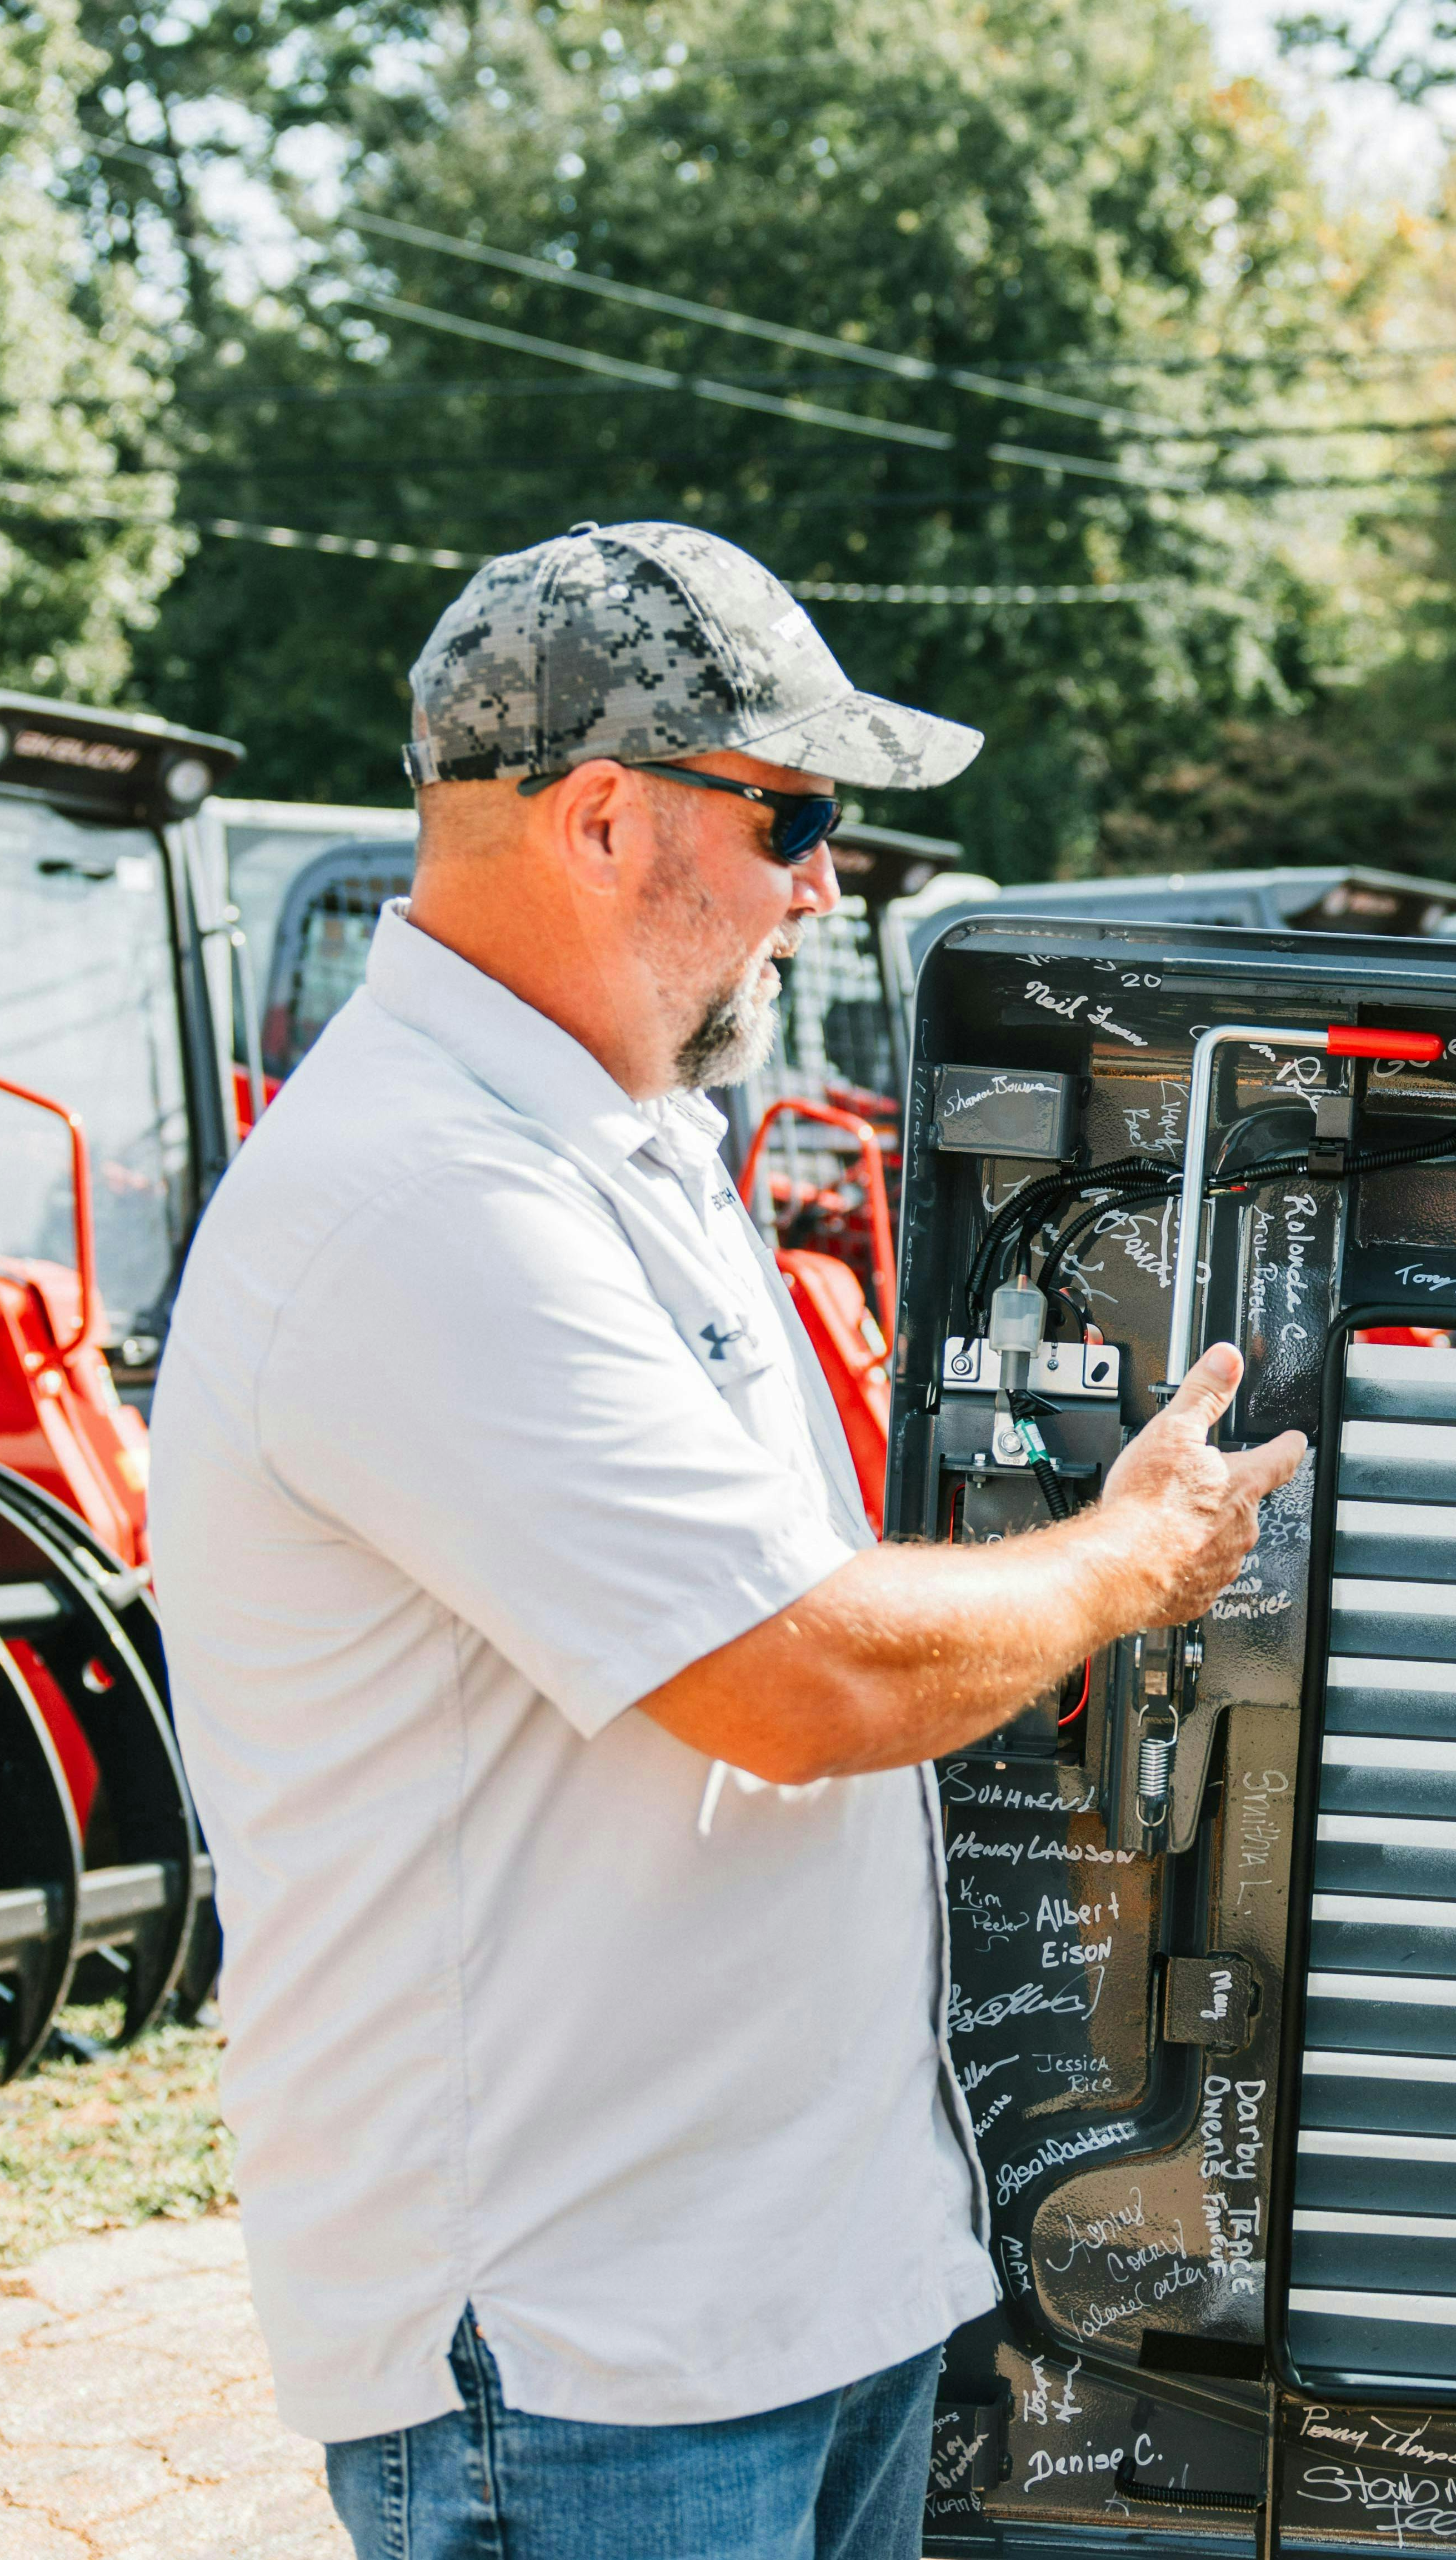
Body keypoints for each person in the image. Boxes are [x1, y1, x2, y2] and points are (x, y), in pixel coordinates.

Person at [155, 520, 1306, 2560]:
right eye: (790, 814)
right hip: (587, 2355)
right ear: (602, 819)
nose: (823, 879)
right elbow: (803, 1675)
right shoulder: (424, 1203)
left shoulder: (618, 1151)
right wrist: (1143, 1556)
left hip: (770, 2302)